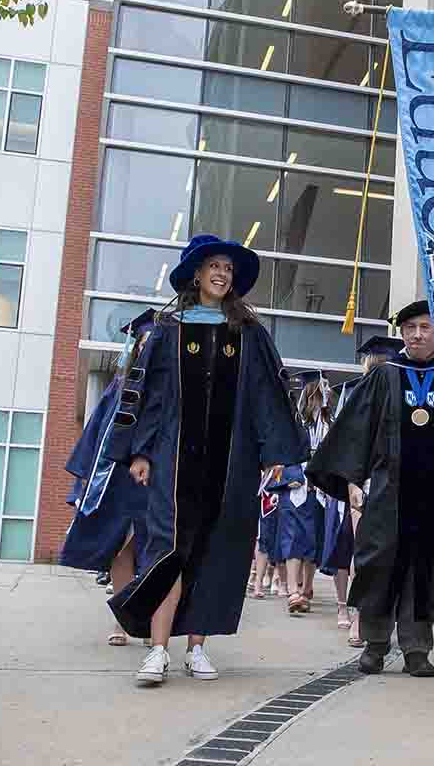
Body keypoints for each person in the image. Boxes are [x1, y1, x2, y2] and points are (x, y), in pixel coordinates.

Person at [106, 234, 308, 687]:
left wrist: (274, 454)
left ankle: (197, 648)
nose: (221, 273)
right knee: (167, 550)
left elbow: (265, 398)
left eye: (228, 269)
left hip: (231, 463)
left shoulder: (249, 333)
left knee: (215, 553)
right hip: (173, 459)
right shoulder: (168, 328)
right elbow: (151, 396)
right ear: (195, 274)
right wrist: (140, 451)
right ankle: (158, 650)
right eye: (213, 266)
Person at [308, 302, 434, 678]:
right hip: (389, 491)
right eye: (410, 327)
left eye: (424, 327)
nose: (416, 335)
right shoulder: (385, 376)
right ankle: (376, 644)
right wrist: (350, 481)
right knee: (380, 565)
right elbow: (356, 430)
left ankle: (416, 648)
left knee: (424, 568)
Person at [60, 311, 153, 646]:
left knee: (151, 552)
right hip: (116, 480)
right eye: (144, 343)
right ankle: (123, 620)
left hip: (151, 482)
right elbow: (96, 433)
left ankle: (145, 619)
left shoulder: (166, 390)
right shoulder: (118, 388)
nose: (148, 349)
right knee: (120, 550)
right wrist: (85, 480)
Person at [320, 336, 404, 639]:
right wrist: (352, 483)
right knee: (358, 552)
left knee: (374, 555)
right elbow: (351, 442)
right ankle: (353, 614)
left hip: (393, 484)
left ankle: (368, 616)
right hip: (364, 483)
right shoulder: (357, 394)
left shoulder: (404, 392)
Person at [273, 371, 330, 615]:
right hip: (296, 489)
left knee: (313, 540)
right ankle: (294, 590)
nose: (327, 395)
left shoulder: (330, 424)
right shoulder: (294, 423)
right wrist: (293, 477)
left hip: (319, 491)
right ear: (312, 394)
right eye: (323, 391)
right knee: (293, 538)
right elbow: (280, 453)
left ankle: (307, 588)